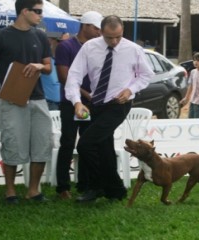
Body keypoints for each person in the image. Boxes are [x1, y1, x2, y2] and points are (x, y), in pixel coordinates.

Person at [65, 15, 154, 203]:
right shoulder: (89, 47)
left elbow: (146, 75)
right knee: (102, 147)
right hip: (96, 104)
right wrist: (76, 101)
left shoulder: (134, 49)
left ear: (122, 32)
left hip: (119, 105)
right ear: (101, 31)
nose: (114, 41)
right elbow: (73, 76)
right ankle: (115, 190)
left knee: (85, 144)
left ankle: (98, 187)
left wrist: (130, 89)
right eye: (109, 37)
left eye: (118, 37)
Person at [0, 0, 52, 203]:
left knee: (42, 145)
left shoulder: (41, 36)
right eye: (37, 11)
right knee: (12, 145)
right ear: (24, 11)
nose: (40, 15)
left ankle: (33, 190)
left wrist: (38, 66)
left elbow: (48, 67)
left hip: (38, 99)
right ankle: (10, 191)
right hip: (11, 100)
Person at [54, 11, 103, 199]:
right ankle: (63, 186)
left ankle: (85, 184)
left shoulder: (96, 47)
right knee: (67, 142)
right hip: (70, 102)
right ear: (85, 26)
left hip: (92, 102)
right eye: (96, 28)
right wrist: (84, 94)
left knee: (87, 142)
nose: (99, 32)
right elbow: (64, 77)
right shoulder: (66, 46)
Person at [180, 52, 199, 118]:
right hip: (192, 100)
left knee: (198, 121)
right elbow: (191, 85)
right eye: (194, 60)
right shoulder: (193, 72)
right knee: (190, 120)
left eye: (198, 60)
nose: (195, 62)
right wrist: (186, 97)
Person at [40, 32, 63, 110]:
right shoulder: (42, 59)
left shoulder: (61, 61)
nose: (62, 45)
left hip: (61, 102)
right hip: (48, 102)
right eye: (59, 41)